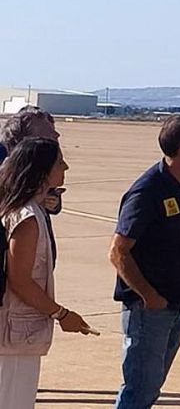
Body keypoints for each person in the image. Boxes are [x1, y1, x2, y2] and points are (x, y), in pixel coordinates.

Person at [108, 114, 180, 409]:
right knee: (139, 389)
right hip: (150, 308)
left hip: (179, 301)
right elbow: (118, 252)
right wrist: (149, 296)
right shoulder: (148, 190)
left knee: (150, 388)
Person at [0, 138, 95, 406]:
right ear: (41, 170)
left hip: (16, 332)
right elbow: (20, 280)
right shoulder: (27, 217)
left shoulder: (22, 208)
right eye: (59, 162)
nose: (66, 166)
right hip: (14, 335)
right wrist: (61, 313)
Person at [0, 108, 63, 215]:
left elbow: (52, 191)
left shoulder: (41, 163)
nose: (56, 135)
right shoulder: (5, 170)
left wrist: (54, 202)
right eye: (46, 132)